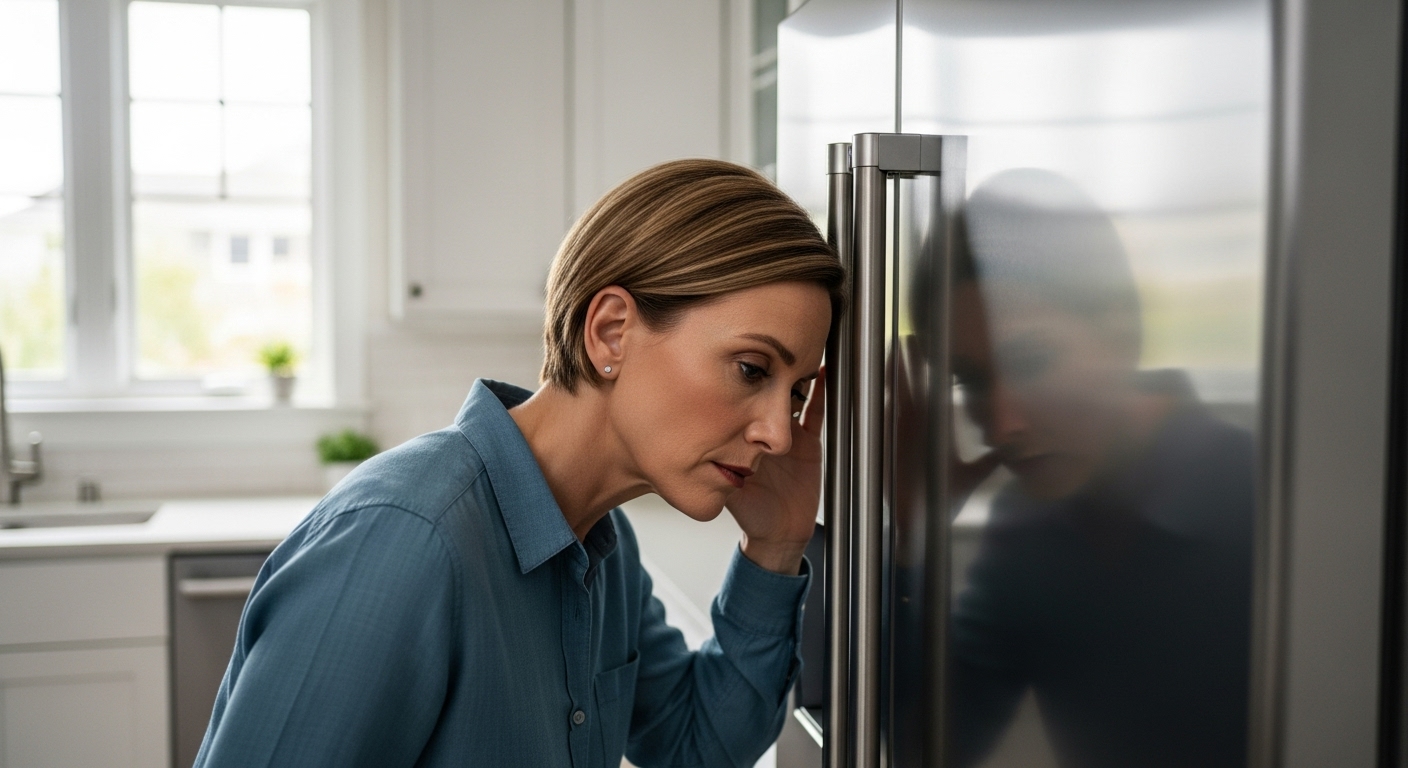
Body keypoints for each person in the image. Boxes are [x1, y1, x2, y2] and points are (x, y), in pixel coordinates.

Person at [193, 159, 845, 767]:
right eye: (751, 368)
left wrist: (777, 547)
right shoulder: (403, 543)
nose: (778, 436)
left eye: (794, 393)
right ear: (611, 331)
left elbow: (697, 743)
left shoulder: (605, 553)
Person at [944, 169, 1256, 767]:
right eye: (973, 381)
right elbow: (922, 746)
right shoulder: (1025, 527)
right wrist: (907, 535)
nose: (1002, 423)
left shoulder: (1263, 503)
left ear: (1121, 329)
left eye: (1031, 361)